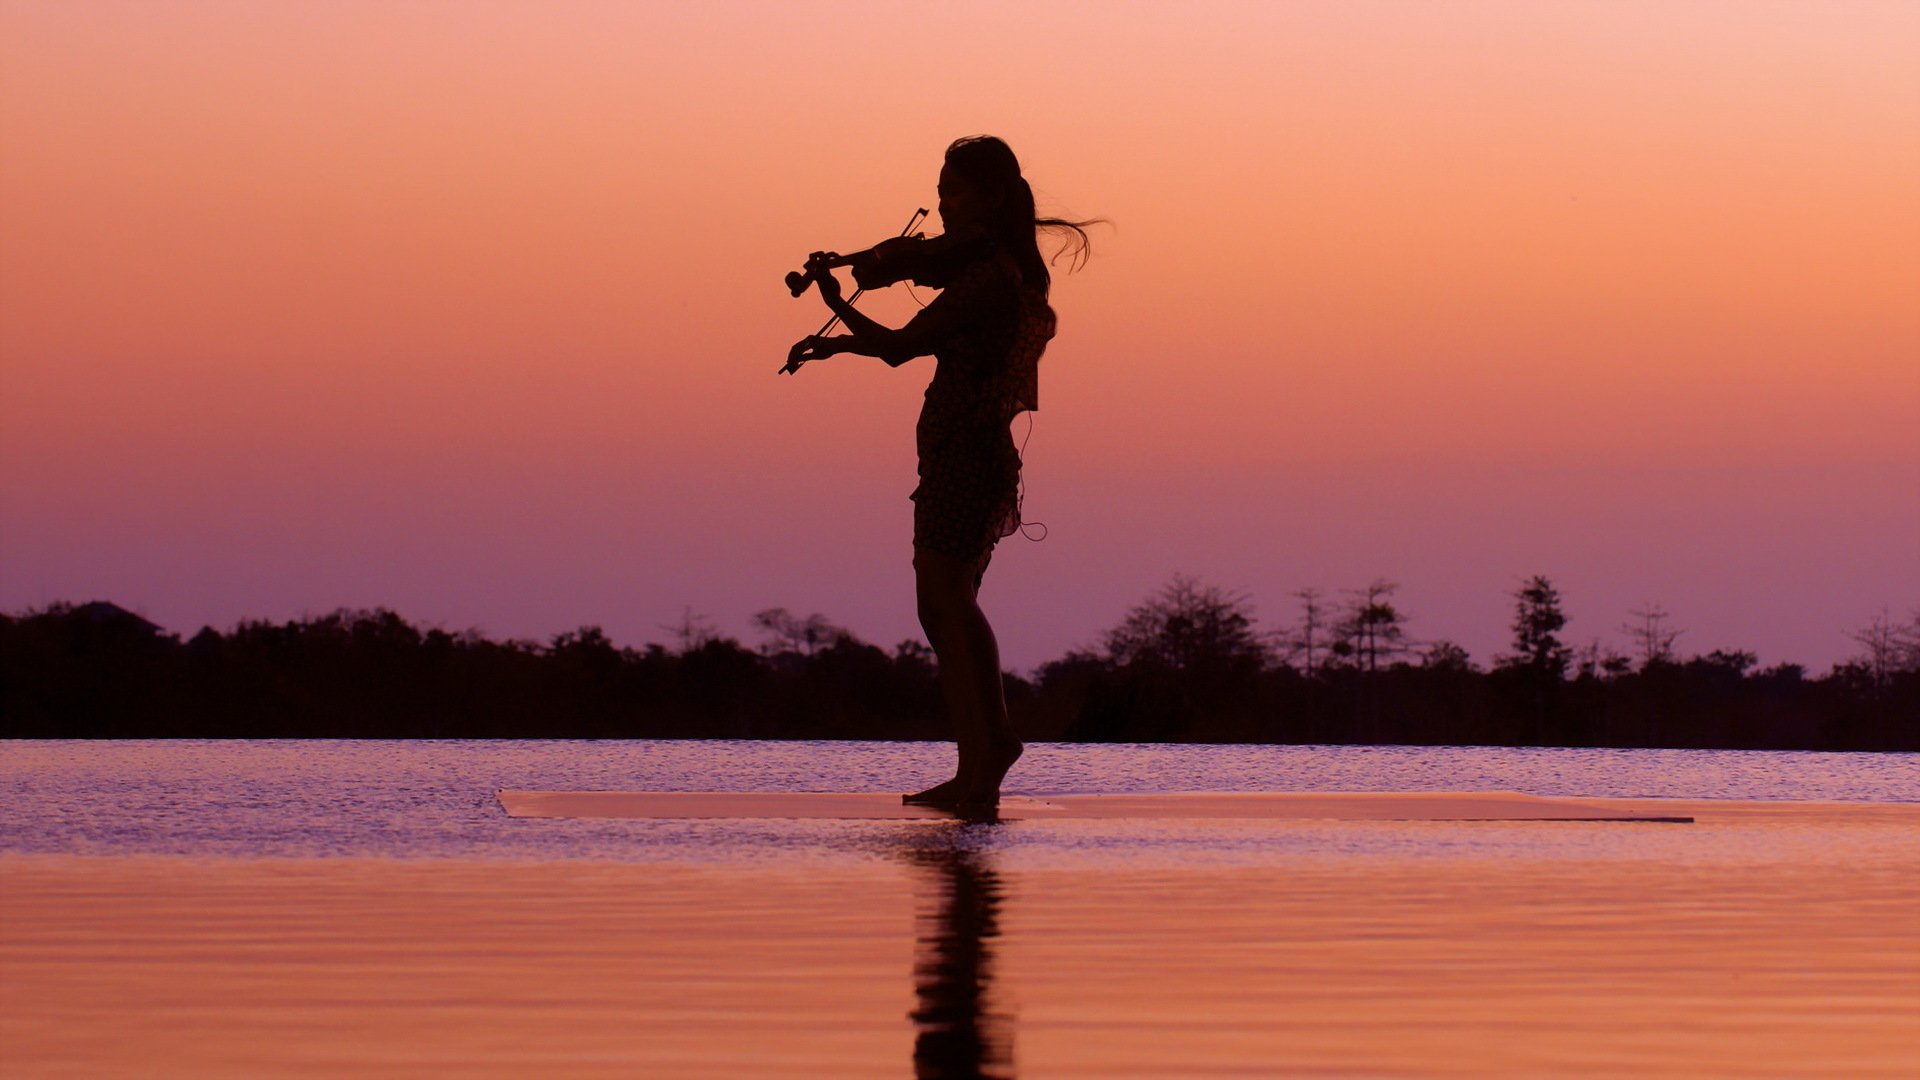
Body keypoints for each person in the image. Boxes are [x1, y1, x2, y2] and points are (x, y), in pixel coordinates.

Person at [786, 136, 1093, 808]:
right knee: (943, 606)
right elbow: (910, 334)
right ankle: (976, 761)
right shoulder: (988, 272)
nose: (943, 206)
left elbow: (900, 347)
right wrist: (840, 328)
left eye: (954, 192)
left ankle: (992, 747)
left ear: (990, 198)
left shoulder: (987, 280)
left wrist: (837, 306)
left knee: (948, 602)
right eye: (940, 193)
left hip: (967, 456)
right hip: (961, 455)